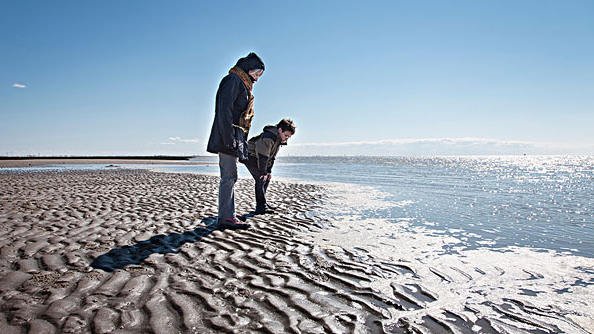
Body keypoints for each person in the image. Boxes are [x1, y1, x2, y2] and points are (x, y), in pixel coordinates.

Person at [206, 52, 265, 230]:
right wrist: (228, 138)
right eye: (257, 74)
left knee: (231, 176)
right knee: (229, 176)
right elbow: (223, 110)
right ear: (249, 70)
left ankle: (228, 213)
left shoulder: (242, 83)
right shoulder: (232, 80)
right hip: (228, 136)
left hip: (233, 136)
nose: (257, 79)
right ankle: (226, 217)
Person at [242, 118, 296, 215]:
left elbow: (272, 158)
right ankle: (260, 207)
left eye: (288, 137)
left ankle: (263, 202)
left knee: (266, 178)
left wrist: (268, 171)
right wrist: (263, 172)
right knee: (260, 178)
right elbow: (263, 157)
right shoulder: (268, 137)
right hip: (249, 156)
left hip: (260, 158)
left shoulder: (278, 140)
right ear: (280, 130)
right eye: (286, 135)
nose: (286, 138)